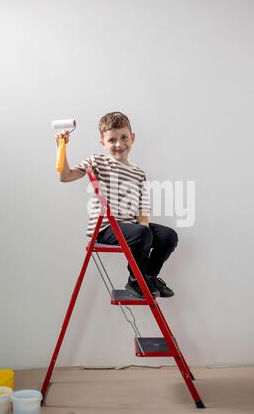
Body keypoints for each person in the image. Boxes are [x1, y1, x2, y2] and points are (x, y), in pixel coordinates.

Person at [55, 111, 178, 298]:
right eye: (112, 140)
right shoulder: (98, 161)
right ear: (102, 143)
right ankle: (136, 280)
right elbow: (66, 176)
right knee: (143, 233)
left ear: (132, 138)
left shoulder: (139, 173)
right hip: (105, 227)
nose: (119, 144)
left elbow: (142, 209)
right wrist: (61, 148)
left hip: (131, 227)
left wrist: (144, 228)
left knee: (168, 236)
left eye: (123, 138)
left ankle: (148, 277)